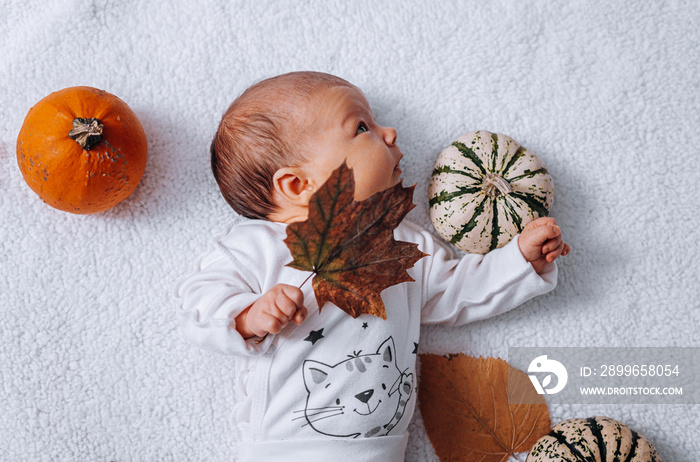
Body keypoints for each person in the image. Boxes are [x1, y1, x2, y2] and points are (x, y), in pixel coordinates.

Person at [175, 71, 570, 462]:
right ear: (297, 185)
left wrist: (519, 262)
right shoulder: (257, 246)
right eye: (362, 126)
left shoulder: (404, 243)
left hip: (382, 450)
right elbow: (199, 307)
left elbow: (458, 291)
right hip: (285, 447)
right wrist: (248, 317)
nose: (390, 132)